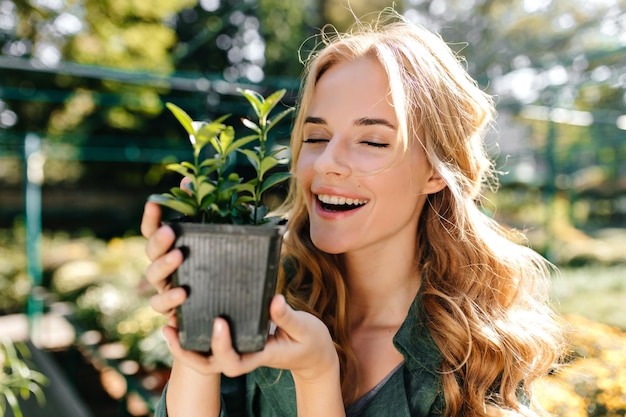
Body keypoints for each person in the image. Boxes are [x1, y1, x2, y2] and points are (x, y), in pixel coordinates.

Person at [141, 9, 564, 417]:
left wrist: (316, 376)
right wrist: (198, 335)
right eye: (316, 136)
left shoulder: (477, 347)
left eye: (372, 142)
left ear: (436, 171)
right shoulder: (268, 298)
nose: (327, 162)